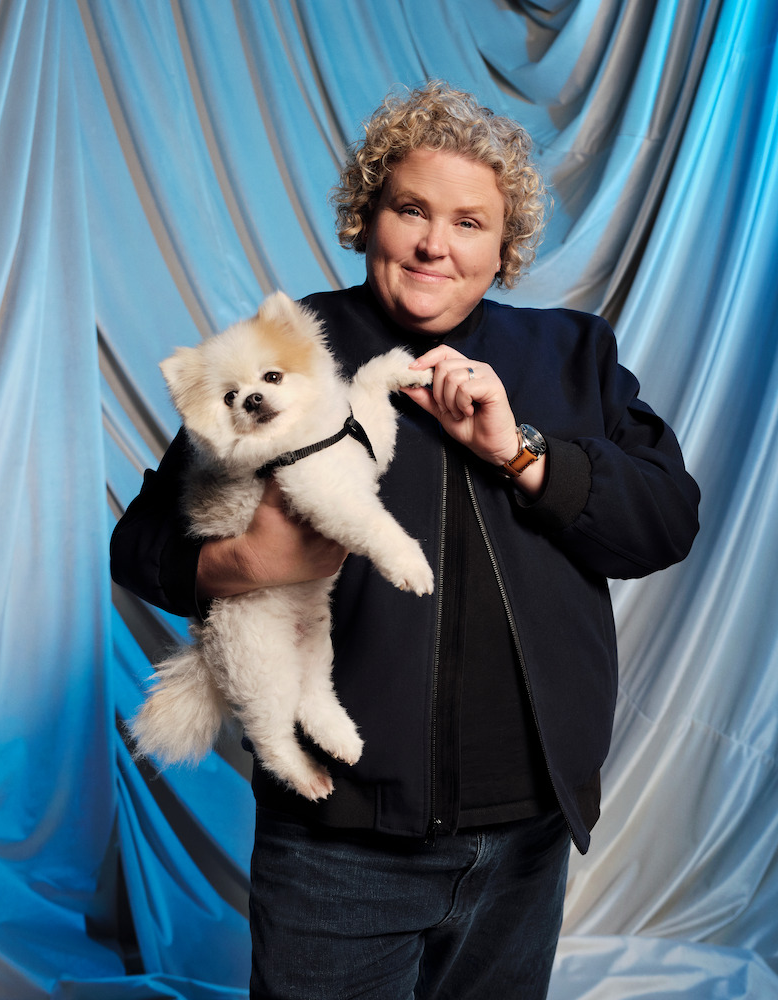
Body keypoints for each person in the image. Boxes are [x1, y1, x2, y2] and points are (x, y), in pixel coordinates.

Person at [111, 81, 700, 999]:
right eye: (411, 209)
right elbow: (139, 542)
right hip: (336, 849)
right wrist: (241, 564)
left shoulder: (573, 356)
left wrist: (524, 453)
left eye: (470, 222)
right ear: (367, 216)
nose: (435, 244)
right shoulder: (288, 349)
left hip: (528, 839)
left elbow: (666, 520)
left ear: (503, 248)